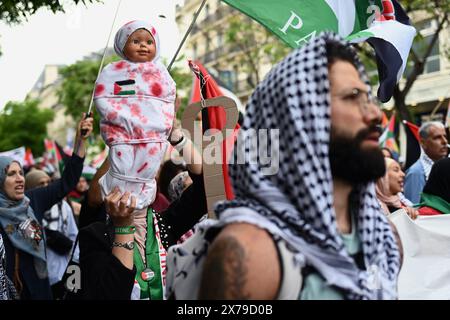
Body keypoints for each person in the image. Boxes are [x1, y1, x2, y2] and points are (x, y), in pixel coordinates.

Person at [165, 32, 403, 300]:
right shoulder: (250, 254)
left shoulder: (384, 237)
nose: (374, 115)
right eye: (352, 97)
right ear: (300, 118)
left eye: (368, 98)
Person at [79, 128, 207, 300]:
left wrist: (178, 139)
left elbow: (206, 187)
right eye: (129, 179)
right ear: (111, 188)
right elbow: (110, 293)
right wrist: (123, 228)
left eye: (147, 177)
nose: (138, 186)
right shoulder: (94, 234)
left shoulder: (165, 223)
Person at [0, 117, 93, 299]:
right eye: (11, 174)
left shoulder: (33, 200)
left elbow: (67, 182)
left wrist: (80, 141)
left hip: (41, 290)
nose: (20, 178)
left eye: (21, 173)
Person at [94, 20, 176, 210]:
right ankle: (117, 199)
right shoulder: (113, 72)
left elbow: (167, 98)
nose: (143, 46)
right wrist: (125, 120)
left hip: (153, 137)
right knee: (122, 165)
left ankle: (142, 199)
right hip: (123, 135)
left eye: (149, 42)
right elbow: (104, 96)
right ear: (123, 44)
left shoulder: (162, 73)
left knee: (148, 168)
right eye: (136, 41)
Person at [25, 169, 79, 300]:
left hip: (69, 269)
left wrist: (76, 265)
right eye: (40, 183)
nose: (45, 186)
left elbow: (74, 235)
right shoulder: (25, 213)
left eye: (48, 182)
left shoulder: (64, 206)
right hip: (45, 276)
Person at [404, 121, 448, 204]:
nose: (444, 141)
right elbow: (415, 210)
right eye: (437, 137)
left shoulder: (444, 166)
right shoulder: (416, 172)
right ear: (423, 143)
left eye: (445, 136)